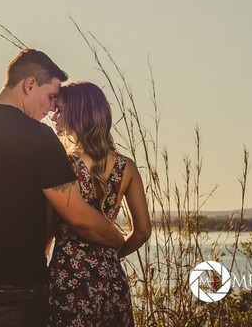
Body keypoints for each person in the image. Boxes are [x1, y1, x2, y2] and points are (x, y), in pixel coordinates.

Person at [0, 49, 126, 327]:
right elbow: (77, 216)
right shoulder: (37, 136)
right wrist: (118, 240)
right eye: (51, 97)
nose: (53, 108)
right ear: (29, 85)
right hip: (16, 288)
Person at [48, 80, 152, 327]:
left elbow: (47, 229)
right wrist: (112, 254)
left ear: (78, 115)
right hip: (111, 281)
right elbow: (144, 231)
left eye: (60, 110)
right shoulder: (126, 167)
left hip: (67, 280)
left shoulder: (61, 165)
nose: (53, 118)